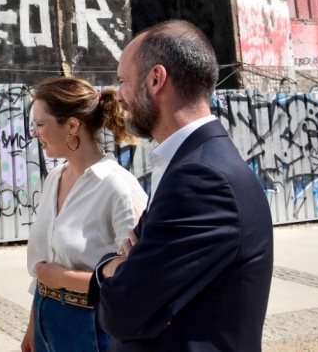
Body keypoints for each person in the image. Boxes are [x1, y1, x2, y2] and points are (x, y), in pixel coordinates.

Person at [88, 20, 274, 351]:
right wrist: (128, 267)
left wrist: (110, 270)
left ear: (156, 79)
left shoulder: (201, 178)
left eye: (123, 81)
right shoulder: (194, 162)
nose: (118, 95)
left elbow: (123, 314)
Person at [22, 76, 147, 352]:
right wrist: (34, 325)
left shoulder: (118, 187)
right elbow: (46, 262)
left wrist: (64, 278)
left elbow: (137, 278)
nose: (34, 133)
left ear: (71, 126)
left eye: (40, 124)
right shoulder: (54, 177)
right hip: (45, 318)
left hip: (89, 326)